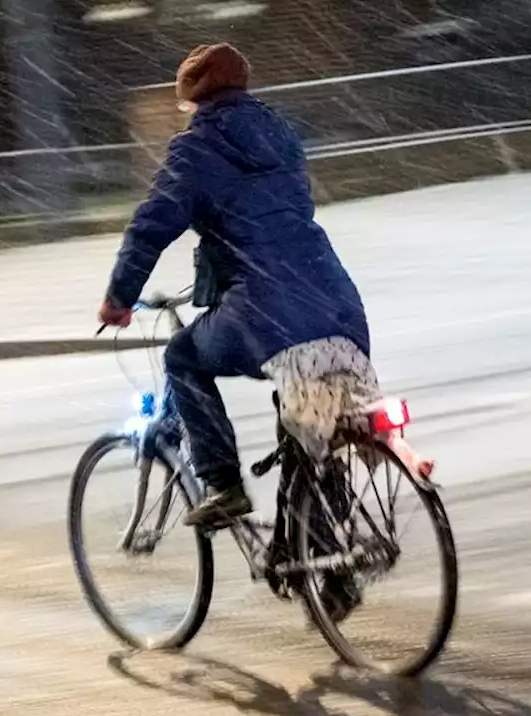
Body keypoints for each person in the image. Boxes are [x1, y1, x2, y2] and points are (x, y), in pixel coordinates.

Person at [97, 43, 378, 529]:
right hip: (334, 298)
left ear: (196, 99)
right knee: (302, 409)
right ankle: (323, 557)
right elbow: (269, 218)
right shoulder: (282, 135)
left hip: (265, 305)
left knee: (182, 358)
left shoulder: (197, 150)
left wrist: (119, 299)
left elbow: (151, 226)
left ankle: (223, 484)